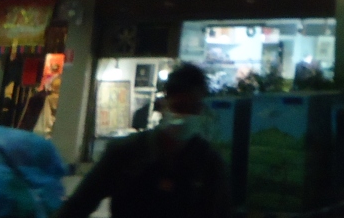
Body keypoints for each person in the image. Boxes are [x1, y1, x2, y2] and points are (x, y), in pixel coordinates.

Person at [55, 63, 230, 218]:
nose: (186, 116)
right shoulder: (126, 152)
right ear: (163, 105)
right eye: (179, 107)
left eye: (193, 109)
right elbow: (78, 205)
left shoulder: (209, 162)